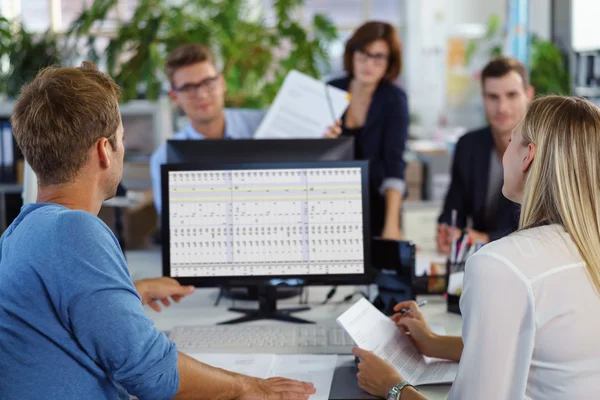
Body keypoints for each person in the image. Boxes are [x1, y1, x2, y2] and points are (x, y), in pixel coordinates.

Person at [0, 62, 315, 400]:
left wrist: (127, 294)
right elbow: (152, 373)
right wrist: (250, 387)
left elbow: (61, 316)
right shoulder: (74, 231)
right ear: (105, 151)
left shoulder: (20, 230)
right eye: (121, 139)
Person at [352, 95, 600, 399]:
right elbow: (541, 349)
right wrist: (432, 342)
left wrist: (393, 386)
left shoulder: (502, 264)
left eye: (512, 141)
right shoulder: (588, 247)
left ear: (527, 157)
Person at [150, 43, 341, 215]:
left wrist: (322, 143)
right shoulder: (164, 157)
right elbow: (173, 225)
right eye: (188, 88)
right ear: (175, 97)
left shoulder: (263, 123)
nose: (201, 94)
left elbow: (301, 176)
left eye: (208, 82)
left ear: (222, 83)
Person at [437, 57, 533, 253]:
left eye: (512, 95)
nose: (502, 108)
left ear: (528, 95)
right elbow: (453, 208)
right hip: (478, 262)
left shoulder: (545, 151)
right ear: (483, 98)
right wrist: (448, 230)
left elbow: (547, 227)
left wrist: (487, 239)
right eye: (493, 97)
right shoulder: (469, 145)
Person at [328, 21, 409, 240]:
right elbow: (311, 153)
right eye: (363, 53)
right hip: (331, 206)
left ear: (389, 63)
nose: (368, 63)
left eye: (378, 57)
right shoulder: (331, 90)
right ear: (351, 53)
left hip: (376, 207)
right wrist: (323, 142)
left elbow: (394, 165)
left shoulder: (393, 99)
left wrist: (391, 226)